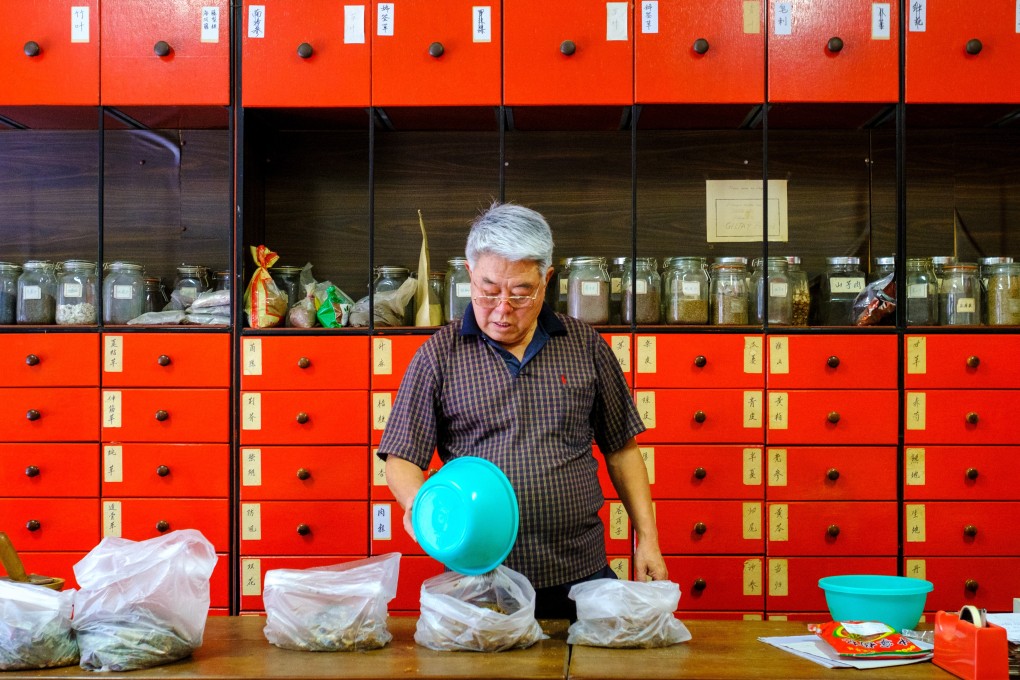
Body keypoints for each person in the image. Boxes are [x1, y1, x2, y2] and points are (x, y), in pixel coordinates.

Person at [377, 202, 667, 620]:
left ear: (546, 280)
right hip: (480, 579)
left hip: (580, 573)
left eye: (520, 293)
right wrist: (423, 506)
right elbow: (401, 458)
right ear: (470, 274)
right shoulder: (439, 355)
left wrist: (648, 539)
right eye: (488, 290)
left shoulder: (585, 345)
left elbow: (622, 449)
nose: (501, 310)